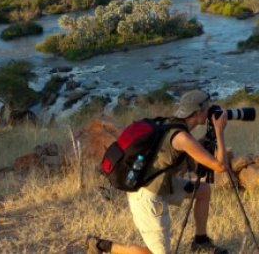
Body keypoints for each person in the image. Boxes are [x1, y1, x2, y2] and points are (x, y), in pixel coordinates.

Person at [87, 90, 229, 254]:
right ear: (197, 112)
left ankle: (201, 241)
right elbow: (220, 166)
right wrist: (219, 131)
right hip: (147, 196)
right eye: (207, 109)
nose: (210, 113)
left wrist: (205, 140)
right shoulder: (181, 137)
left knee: (203, 190)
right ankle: (101, 245)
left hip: (163, 184)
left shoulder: (171, 123)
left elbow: (181, 152)